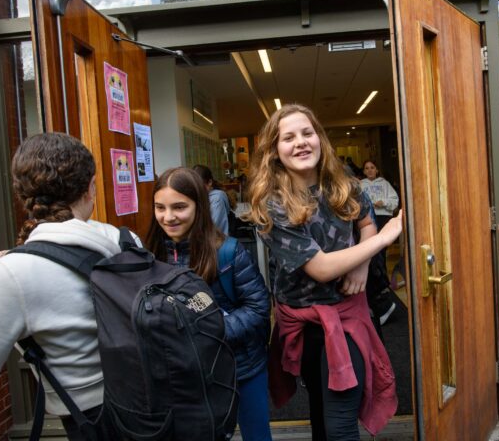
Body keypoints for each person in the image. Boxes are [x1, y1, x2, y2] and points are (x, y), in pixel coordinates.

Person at [0, 133, 136, 439]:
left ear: (21, 194)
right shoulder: (127, 242)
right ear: (91, 187)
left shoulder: (12, 273)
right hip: (150, 409)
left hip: (93, 425)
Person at [243, 104, 402, 440]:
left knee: (340, 423)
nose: (300, 142)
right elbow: (322, 269)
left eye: (307, 133)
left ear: (320, 139)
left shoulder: (344, 183)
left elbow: (366, 222)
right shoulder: (273, 204)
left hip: (346, 318)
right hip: (302, 323)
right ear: (274, 150)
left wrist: (361, 264)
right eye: (288, 137)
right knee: (318, 411)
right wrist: (387, 238)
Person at [145, 167, 272, 441]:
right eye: (160, 207)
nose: (168, 217)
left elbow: (259, 308)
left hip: (241, 366)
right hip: (185, 374)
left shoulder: (228, 251)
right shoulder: (149, 255)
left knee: (257, 435)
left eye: (179, 207)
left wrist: (210, 330)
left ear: (199, 206)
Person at [360, 160, 400, 325]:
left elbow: (395, 201)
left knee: (379, 254)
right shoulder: (360, 185)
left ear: (377, 170)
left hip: (382, 218)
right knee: (370, 255)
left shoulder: (385, 184)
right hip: (366, 221)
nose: (369, 171)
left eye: (372, 168)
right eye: (366, 168)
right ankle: (375, 297)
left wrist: (384, 203)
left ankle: (382, 289)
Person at [194, 164, 232, 235]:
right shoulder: (202, 197)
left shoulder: (217, 198)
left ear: (209, 182)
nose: (197, 190)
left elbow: (213, 226)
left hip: (216, 242)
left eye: (200, 186)